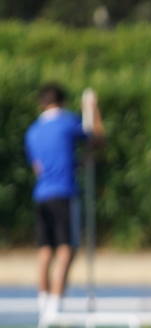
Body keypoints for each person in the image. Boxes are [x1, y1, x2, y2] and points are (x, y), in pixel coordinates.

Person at [24, 83, 103, 315]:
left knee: (45, 249)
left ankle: (43, 301)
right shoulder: (68, 122)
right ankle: (55, 305)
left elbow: (38, 167)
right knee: (66, 249)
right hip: (64, 192)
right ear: (62, 101)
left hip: (41, 194)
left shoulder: (33, 131)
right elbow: (96, 140)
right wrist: (92, 109)